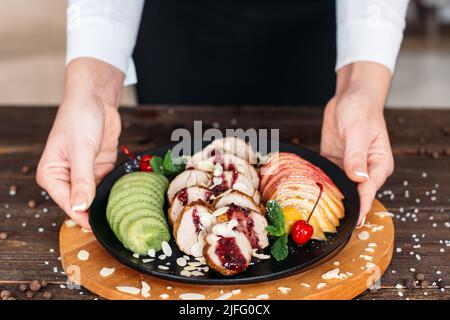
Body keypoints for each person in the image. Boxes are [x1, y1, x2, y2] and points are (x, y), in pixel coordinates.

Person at [36, 0, 409, 229]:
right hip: (178, 24)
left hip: (310, 25)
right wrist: (91, 93)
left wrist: (359, 88)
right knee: (177, 151)